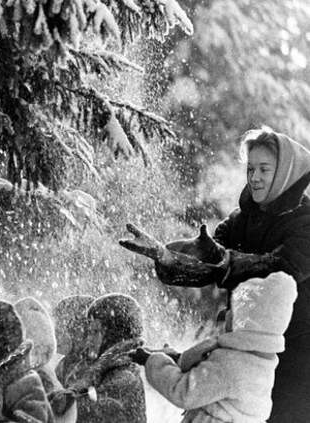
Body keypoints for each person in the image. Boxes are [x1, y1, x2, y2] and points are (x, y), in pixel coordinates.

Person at [120, 128, 310, 422]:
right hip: (244, 344)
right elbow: (210, 259)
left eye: (264, 169)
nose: (254, 177)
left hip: (296, 354)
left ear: (285, 173)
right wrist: (169, 258)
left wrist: (225, 261)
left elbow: (279, 268)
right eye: (250, 169)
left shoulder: (306, 224)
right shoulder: (241, 219)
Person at [133, 272, 297, 423]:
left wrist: (153, 361)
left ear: (247, 322)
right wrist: (177, 359)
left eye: (233, 311)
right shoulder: (256, 360)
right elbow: (208, 374)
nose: (225, 315)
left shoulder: (231, 365)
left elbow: (184, 392)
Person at [50, 294, 146, 423]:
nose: (89, 339)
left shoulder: (125, 376)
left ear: (112, 336)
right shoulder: (105, 369)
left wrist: (53, 406)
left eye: (95, 332)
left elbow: (95, 409)